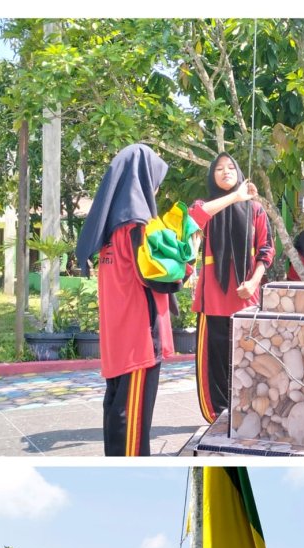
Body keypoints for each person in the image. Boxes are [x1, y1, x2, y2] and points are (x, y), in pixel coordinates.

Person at [75, 143, 194, 456]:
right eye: (155, 179)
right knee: (132, 420)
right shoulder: (137, 226)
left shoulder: (108, 228)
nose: (155, 186)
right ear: (141, 178)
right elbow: (157, 276)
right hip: (140, 338)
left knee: (116, 408)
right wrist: (186, 260)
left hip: (117, 338)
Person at [189, 153, 275, 423]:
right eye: (218, 168)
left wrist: (253, 282)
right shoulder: (205, 206)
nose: (225, 172)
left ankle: (247, 416)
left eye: (230, 167)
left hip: (246, 298)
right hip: (212, 300)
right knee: (214, 365)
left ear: (238, 172)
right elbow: (195, 218)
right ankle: (217, 417)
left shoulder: (256, 210)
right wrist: (235, 197)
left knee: (248, 362)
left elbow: (266, 250)